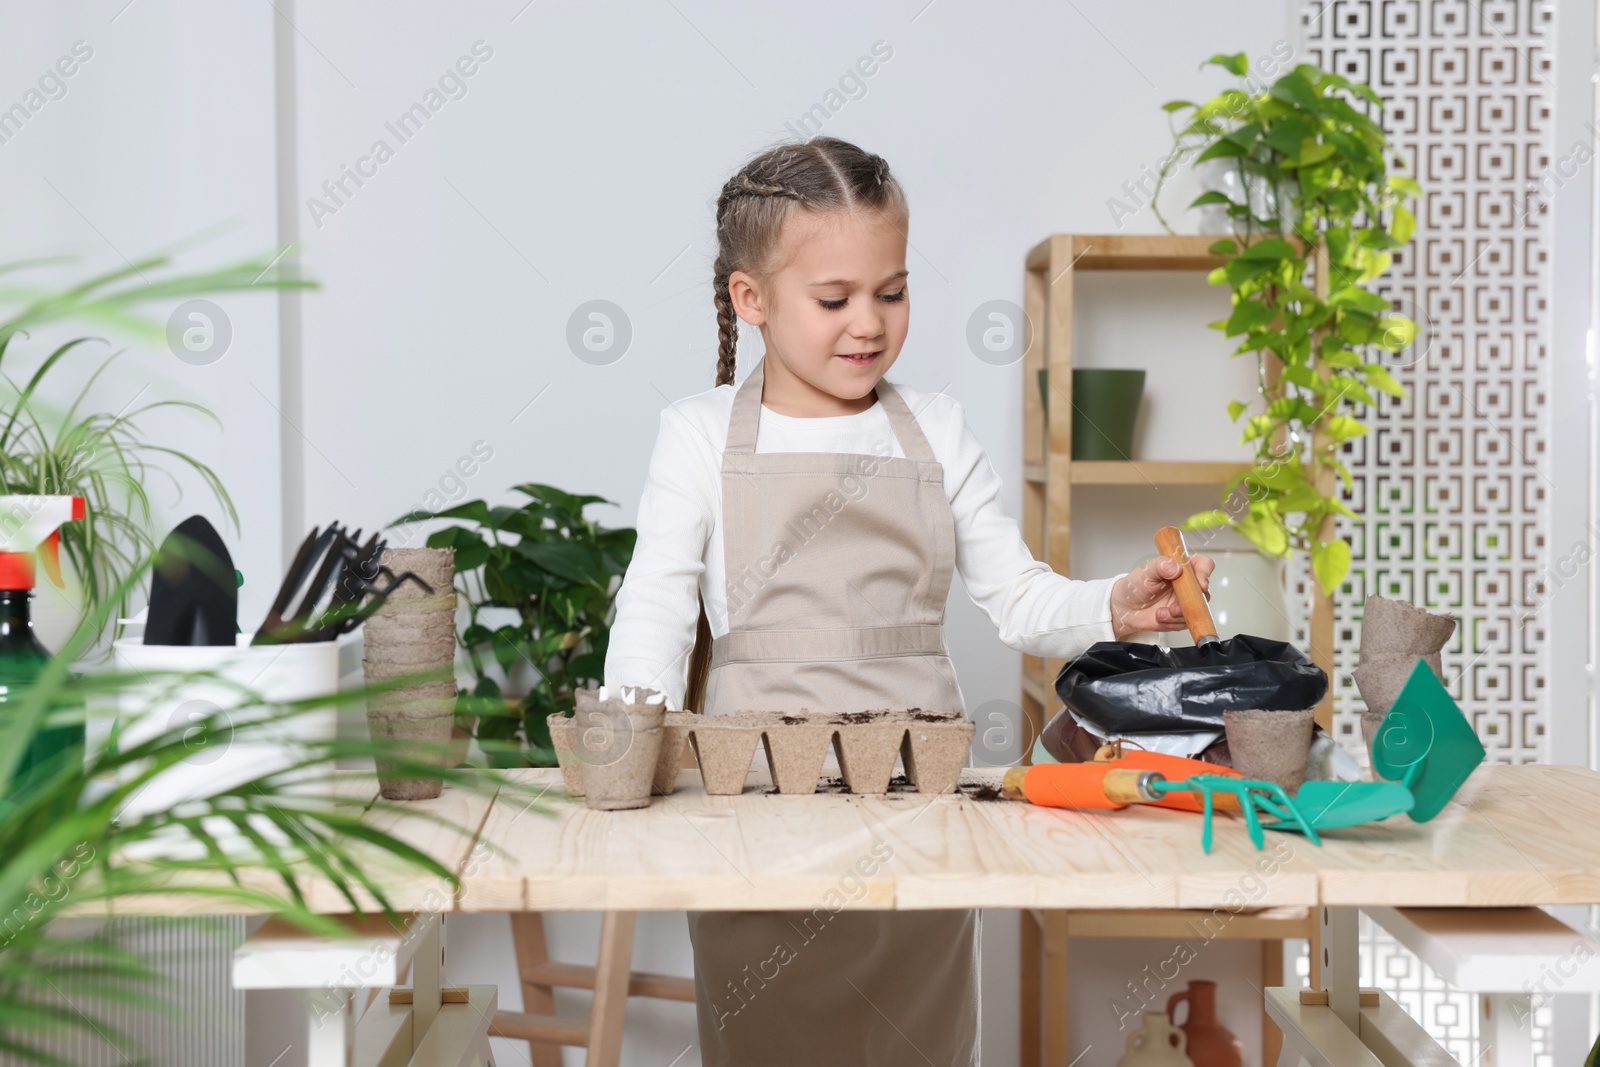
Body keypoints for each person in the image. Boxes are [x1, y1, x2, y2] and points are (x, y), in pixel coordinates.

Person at [603, 136, 1213, 1066]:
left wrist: (1118, 606)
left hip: (915, 810)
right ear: (751, 299)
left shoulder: (934, 426)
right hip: (756, 805)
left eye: (891, 291)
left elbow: (1016, 597)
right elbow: (654, 608)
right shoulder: (694, 434)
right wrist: (621, 759)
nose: (870, 323)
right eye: (835, 298)